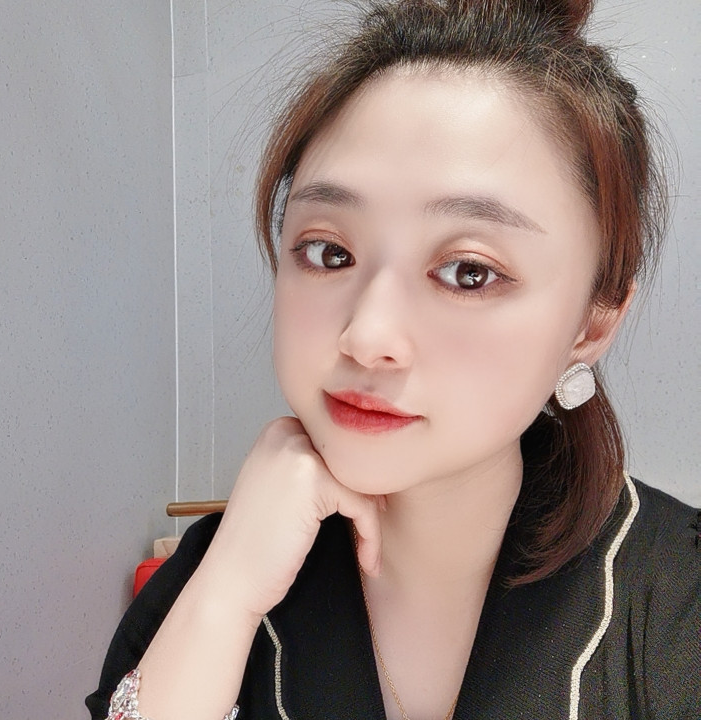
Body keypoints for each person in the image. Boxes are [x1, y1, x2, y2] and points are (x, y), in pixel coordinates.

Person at [86, 1, 700, 718]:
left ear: (593, 322)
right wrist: (225, 597)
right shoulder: (209, 576)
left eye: (469, 272)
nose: (367, 334)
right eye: (328, 252)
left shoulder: (674, 602)